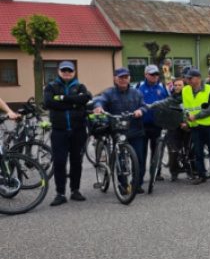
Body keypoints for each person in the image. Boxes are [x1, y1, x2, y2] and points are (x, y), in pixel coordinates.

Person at [43, 61, 92, 206]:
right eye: (64, 70)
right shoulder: (51, 87)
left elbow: (86, 98)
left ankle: (75, 190)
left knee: (76, 161)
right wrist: (74, 103)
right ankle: (60, 193)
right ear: (59, 71)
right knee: (59, 162)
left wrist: (63, 99)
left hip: (78, 130)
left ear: (74, 72)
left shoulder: (80, 86)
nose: (67, 73)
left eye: (69, 71)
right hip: (59, 130)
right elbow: (49, 103)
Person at [93, 67, 147, 193]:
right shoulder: (109, 93)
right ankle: (123, 185)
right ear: (115, 79)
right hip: (118, 130)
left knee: (139, 159)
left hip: (136, 129)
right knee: (120, 159)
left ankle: (137, 184)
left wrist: (141, 111)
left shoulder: (136, 93)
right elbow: (100, 102)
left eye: (126, 77)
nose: (123, 80)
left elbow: (143, 105)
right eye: (120, 77)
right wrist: (99, 108)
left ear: (129, 78)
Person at [136, 65, 170, 183]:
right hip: (142, 125)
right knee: (141, 152)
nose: (155, 76)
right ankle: (139, 175)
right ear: (145, 74)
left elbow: (168, 104)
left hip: (158, 125)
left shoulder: (163, 87)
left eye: (156, 74)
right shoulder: (138, 87)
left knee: (157, 151)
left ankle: (156, 172)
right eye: (152, 74)